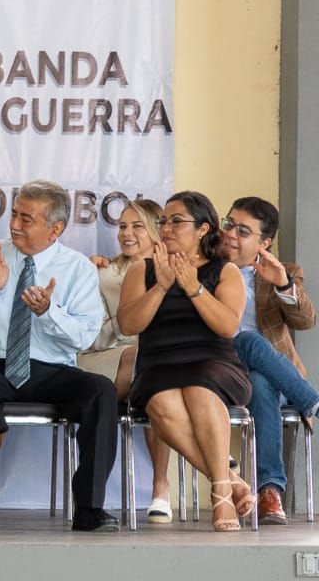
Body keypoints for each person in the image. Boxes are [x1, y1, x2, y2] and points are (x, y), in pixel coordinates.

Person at [0, 180, 119, 532]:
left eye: (27, 219)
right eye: (14, 215)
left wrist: (48, 312)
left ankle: (89, 507)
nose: (14, 225)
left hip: (51, 371)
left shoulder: (77, 269)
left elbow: (84, 337)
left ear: (55, 229)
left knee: (101, 390)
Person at [117, 192, 252, 531]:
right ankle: (228, 481)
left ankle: (221, 494)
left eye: (176, 221)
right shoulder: (142, 270)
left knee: (199, 389)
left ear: (203, 228)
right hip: (158, 365)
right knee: (161, 404)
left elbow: (226, 326)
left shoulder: (225, 271)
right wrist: (161, 287)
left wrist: (194, 288)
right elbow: (128, 325)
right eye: (164, 221)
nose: (166, 228)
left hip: (213, 362)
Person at [220, 196, 319, 525]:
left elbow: (306, 321)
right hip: (222, 367)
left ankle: (269, 491)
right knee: (247, 339)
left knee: (262, 381)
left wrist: (282, 284)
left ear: (265, 242)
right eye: (229, 224)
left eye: (243, 231)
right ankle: (310, 400)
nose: (232, 234)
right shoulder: (206, 268)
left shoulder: (283, 272)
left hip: (267, 375)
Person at [77, 199, 171, 520]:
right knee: (153, 363)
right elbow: (90, 335)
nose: (126, 234)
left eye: (136, 226)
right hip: (103, 361)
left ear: (158, 231)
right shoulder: (103, 273)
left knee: (161, 387)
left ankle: (161, 487)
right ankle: (201, 462)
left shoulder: (177, 271)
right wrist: (127, 322)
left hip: (153, 369)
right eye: (121, 226)